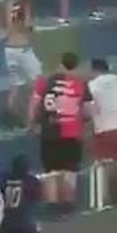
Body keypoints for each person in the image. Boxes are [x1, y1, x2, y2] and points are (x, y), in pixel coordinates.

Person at [29, 52, 88, 209]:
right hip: (72, 134)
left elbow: (34, 104)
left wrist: (32, 124)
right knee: (69, 171)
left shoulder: (43, 82)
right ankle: (67, 204)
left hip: (49, 133)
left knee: (51, 171)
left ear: (60, 63)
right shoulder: (80, 83)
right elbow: (89, 111)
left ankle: (53, 205)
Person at [87, 57, 117, 203]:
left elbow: (91, 108)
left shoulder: (91, 85)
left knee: (105, 163)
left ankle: (106, 198)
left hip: (104, 127)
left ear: (94, 70)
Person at [3, 0, 40, 122]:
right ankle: (37, 115)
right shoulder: (26, 5)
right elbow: (27, 24)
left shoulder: (8, 4)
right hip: (23, 50)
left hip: (9, 49)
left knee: (16, 84)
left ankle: (9, 114)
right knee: (39, 82)